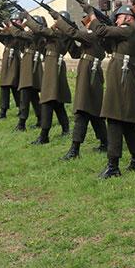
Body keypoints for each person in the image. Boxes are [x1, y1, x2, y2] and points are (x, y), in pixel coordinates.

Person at [86, 5, 135, 177]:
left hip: (123, 78)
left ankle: (113, 165)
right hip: (123, 76)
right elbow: (108, 44)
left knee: (115, 120)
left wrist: (91, 14)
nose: (116, 21)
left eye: (118, 17)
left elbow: (102, 30)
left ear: (127, 17)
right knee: (128, 122)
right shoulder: (130, 31)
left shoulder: (129, 28)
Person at [51, 10, 109, 161]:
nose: (84, 20)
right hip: (86, 73)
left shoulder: (95, 34)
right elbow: (76, 53)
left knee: (83, 111)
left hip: (91, 74)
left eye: (87, 17)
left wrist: (60, 21)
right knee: (93, 111)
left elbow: (75, 33)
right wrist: (67, 37)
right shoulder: (89, 35)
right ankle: (105, 142)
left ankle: (74, 149)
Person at [23, 11, 78, 145]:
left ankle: (44, 135)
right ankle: (65, 129)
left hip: (54, 66)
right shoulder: (57, 34)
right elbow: (42, 46)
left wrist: (28, 19)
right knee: (57, 100)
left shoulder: (60, 34)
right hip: (51, 64)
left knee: (47, 99)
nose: (55, 23)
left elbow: (41, 30)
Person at [9, 15, 46, 131]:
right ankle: (41, 119)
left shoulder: (35, 34)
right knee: (34, 95)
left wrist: (11, 26)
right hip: (30, 63)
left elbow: (18, 34)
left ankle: (21, 123)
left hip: (30, 65)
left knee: (25, 95)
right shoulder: (34, 34)